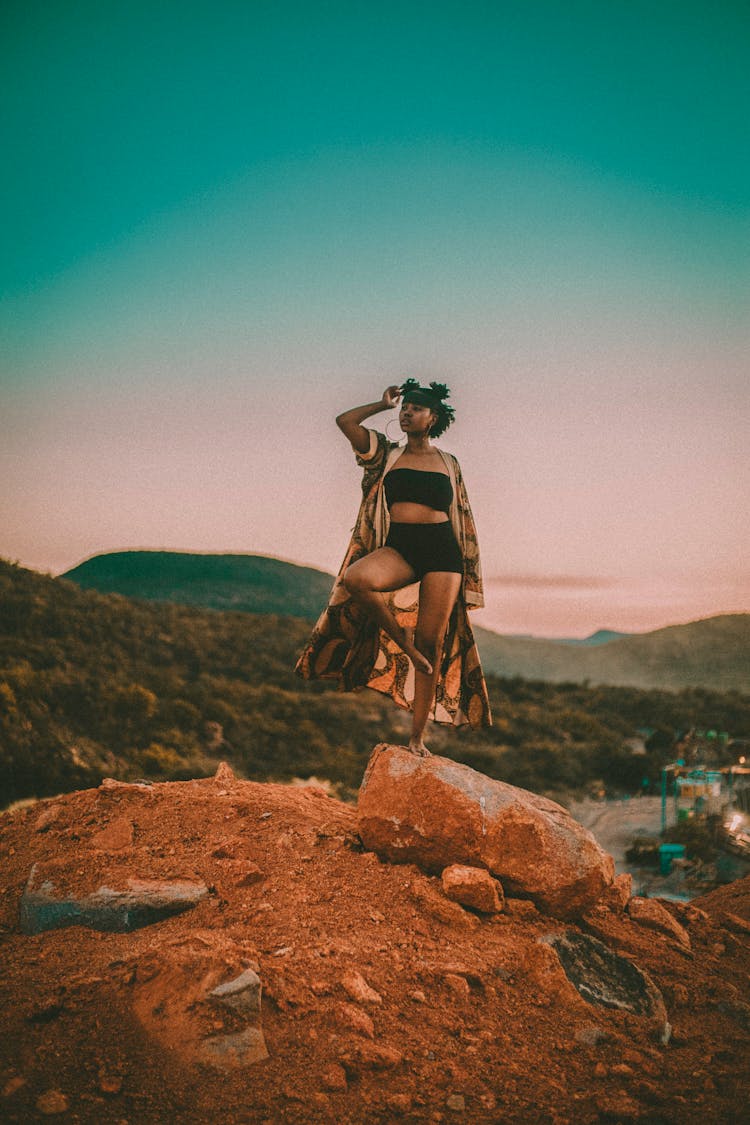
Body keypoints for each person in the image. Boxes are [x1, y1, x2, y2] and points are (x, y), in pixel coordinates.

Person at [295, 379, 491, 754]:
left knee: (431, 645)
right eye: (404, 408)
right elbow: (345, 422)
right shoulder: (386, 454)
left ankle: (417, 739)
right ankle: (402, 642)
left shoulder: (449, 463)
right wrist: (381, 404)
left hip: (443, 552)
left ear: (432, 418)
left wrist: (469, 568)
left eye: (415, 409)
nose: (406, 413)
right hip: (400, 545)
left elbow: (462, 516)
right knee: (358, 580)